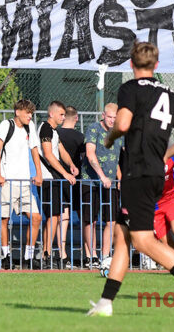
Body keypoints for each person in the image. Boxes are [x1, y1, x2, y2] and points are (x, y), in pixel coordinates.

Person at [87, 42, 174, 317]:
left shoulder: (130, 89)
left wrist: (110, 138)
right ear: (156, 65)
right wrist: (167, 153)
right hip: (154, 173)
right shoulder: (172, 94)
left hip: (138, 172)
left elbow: (122, 124)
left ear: (131, 64)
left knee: (142, 241)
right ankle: (106, 303)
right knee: (122, 237)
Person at [0, 99, 42, 269]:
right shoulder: (6, 125)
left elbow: (35, 150)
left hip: (24, 183)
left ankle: (28, 256)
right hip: (7, 181)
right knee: (4, 218)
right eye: (27, 112)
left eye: (31, 113)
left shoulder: (30, 127)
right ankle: (5, 255)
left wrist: (39, 173)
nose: (30, 116)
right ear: (17, 112)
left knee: (36, 217)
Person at [36, 101, 78, 269]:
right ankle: (45, 254)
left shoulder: (54, 131)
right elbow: (48, 154)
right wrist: (65, 173)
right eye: (61, 114)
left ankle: (46, 253)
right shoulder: (45, 129)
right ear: (51, 114)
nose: (63, 117)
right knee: (52, 216)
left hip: (54, 179)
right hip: (48, 178)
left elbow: (61, 151)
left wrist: (71, 164)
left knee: (55, 216)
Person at [83, 103, 120, 270]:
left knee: (111, 220)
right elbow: (90, 153)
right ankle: (92, 256)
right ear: (103, 115)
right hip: (90, 181)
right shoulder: (94, 128)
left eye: (115, 118)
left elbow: (119, 158)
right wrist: (102, 176)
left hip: (111, 183)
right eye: (109, 117)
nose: (112, 120)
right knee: (90, 219)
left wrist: (120, 179)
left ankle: (105, 256)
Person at [56, 105, 86, 269]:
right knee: (84, 216)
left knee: (63, 216)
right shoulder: (80, 137)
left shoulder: (56, 134)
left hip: (60, 178)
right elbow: (84, 157)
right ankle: (88, 254)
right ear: (76, 118)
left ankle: (62, 254)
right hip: (77, 179)